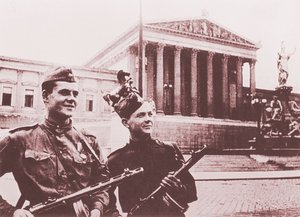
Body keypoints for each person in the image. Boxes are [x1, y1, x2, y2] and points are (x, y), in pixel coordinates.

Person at [0, 67, 109, 217]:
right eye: (64, 92)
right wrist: (10, 212)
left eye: (75, 94)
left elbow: (102, 182)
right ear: (45, 96)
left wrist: (97, 208)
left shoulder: (89, 141)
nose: (72, 98)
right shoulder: (19, 140)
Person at [103, 70, 197, 217]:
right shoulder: (116, 159)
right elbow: (105, 199)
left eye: (149, 114)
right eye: (141, 115)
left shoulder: (169, 150)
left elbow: (191, 192)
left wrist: (178, 187)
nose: (148, 119)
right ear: (125, 122)